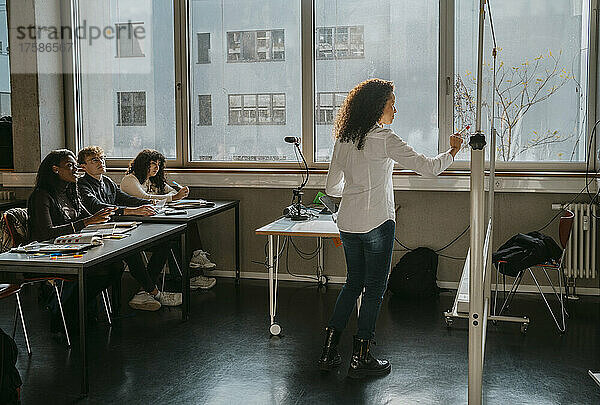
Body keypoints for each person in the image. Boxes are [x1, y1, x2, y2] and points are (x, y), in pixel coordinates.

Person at [320, 79, 463, 378]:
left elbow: (331, 187)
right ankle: (361, 357)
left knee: (352, 284)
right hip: (376, 224)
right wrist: (453, 151)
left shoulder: (344, 139)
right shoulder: (384, 138)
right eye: (391, 104)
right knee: (374, 289)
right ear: (377, 107)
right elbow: (428, 168)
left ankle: (328, 351)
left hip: (347, 223)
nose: (395, 110)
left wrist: (357, 187)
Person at [76, 146, 182, 311]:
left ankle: (143, 293)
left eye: (102, 158)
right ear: (82, 166)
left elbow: (127, 198)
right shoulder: (81, 185)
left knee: (164, 244)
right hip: (96, 234)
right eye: (94, 160)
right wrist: (133, 210)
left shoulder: (107, 182)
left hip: (116, 228)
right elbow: (97, 207)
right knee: (131, 249)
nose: (100, 162)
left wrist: (152, 203)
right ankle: (154, 292)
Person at [27, 149, 122, 331]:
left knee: (115, 266)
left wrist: (104, 223)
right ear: (55, 169)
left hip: (72, 248)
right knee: (98, 271)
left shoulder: (71, 191)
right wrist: (87, 221)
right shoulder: (42, 195)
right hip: (47, 253)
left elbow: (88, 221)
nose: (75, 169)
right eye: (70, 166)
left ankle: (71, 310)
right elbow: (46, 234)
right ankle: (62, 312)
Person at [121, 149, 217, 290]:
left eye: (159, 164)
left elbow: (171, 191)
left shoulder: (152, 179)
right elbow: (145, 199)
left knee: (187, 224)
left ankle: (195, 262)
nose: (156, 167)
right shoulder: (130, 180)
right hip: (140, 226)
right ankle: (190, 275)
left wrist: (174, 195)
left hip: (155, 220)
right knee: (176, 236)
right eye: (153, 164)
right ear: (143, 164)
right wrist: (173, 198)